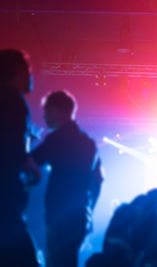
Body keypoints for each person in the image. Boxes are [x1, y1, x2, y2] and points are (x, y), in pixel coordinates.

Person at [31, 90, 103, 267]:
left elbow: (30, 162)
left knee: (55, 261)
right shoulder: (88, 142)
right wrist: (89, 210)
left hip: (58, 215)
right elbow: (99, 179)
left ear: (57, 110)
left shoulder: (56, 139)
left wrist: (29, 140)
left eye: (46, 111)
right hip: (80, 216)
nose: (44, 117)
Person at [0, 49, 40, 267]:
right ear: (16, 71)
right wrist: (31, 166)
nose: (31, 76)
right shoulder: (14, 101)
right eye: (28, 70)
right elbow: (14, 151)